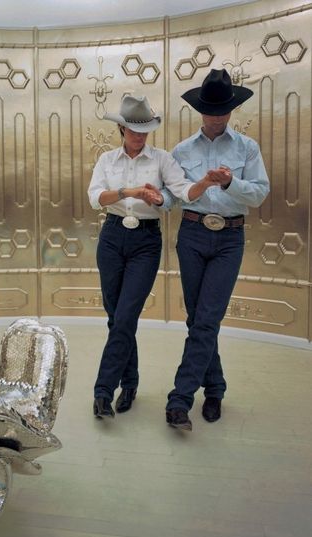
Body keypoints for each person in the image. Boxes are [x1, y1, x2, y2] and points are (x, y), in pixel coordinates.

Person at [88, 95, 217, 419]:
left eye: (144, 130)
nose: (139, 136)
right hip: (112, 237)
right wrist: (128, 193)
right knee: (115, 317)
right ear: (121, 128)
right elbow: (94, 199)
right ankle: (129, 383)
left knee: (126, 314)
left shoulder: (161, 160)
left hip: (145, 241)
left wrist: (168, 196)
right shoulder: (107, 160)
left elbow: (180, 193)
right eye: (133, 130)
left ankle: (103, 391)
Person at [165, 68, 270, 431]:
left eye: (223, 110)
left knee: (207, 318)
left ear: (231, 110)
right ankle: (215, 388)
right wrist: (154, 196)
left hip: (230, 239)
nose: (216, 116)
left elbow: (259, 194)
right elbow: (173, 195)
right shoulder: (181, 150)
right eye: (210, 110)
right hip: (192, 236)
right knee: (199, 320)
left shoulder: (247, 148)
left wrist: (230, 183)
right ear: (200, 111)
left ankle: (179, 398)